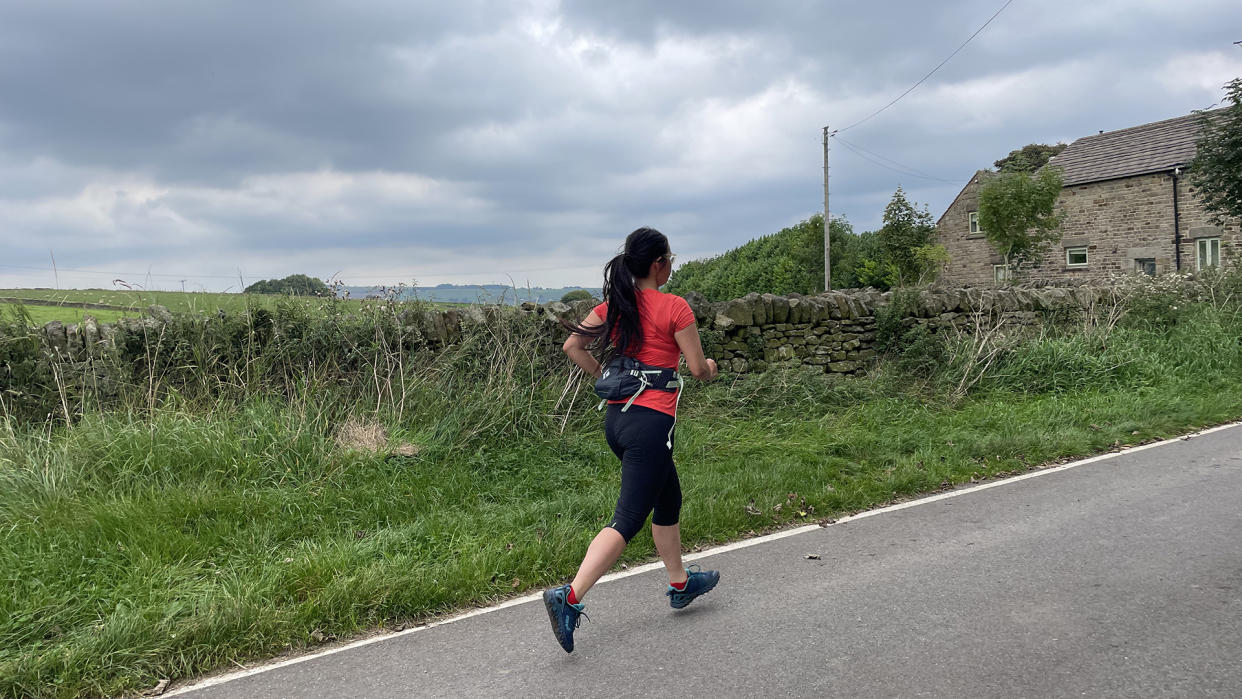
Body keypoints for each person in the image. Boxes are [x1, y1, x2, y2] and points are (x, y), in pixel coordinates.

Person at [542, 226, 720, 654]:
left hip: (617, 423)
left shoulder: (613, 307)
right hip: (650, 425)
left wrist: (604, 376)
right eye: (670, 259)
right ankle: (568, 597)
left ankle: (680, 584)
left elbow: (572, 346)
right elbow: (697, 369)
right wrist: (711, 366)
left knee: (668, 497)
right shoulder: (675, 307)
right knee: (628, 518)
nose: (671, 265)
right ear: (658, 264)